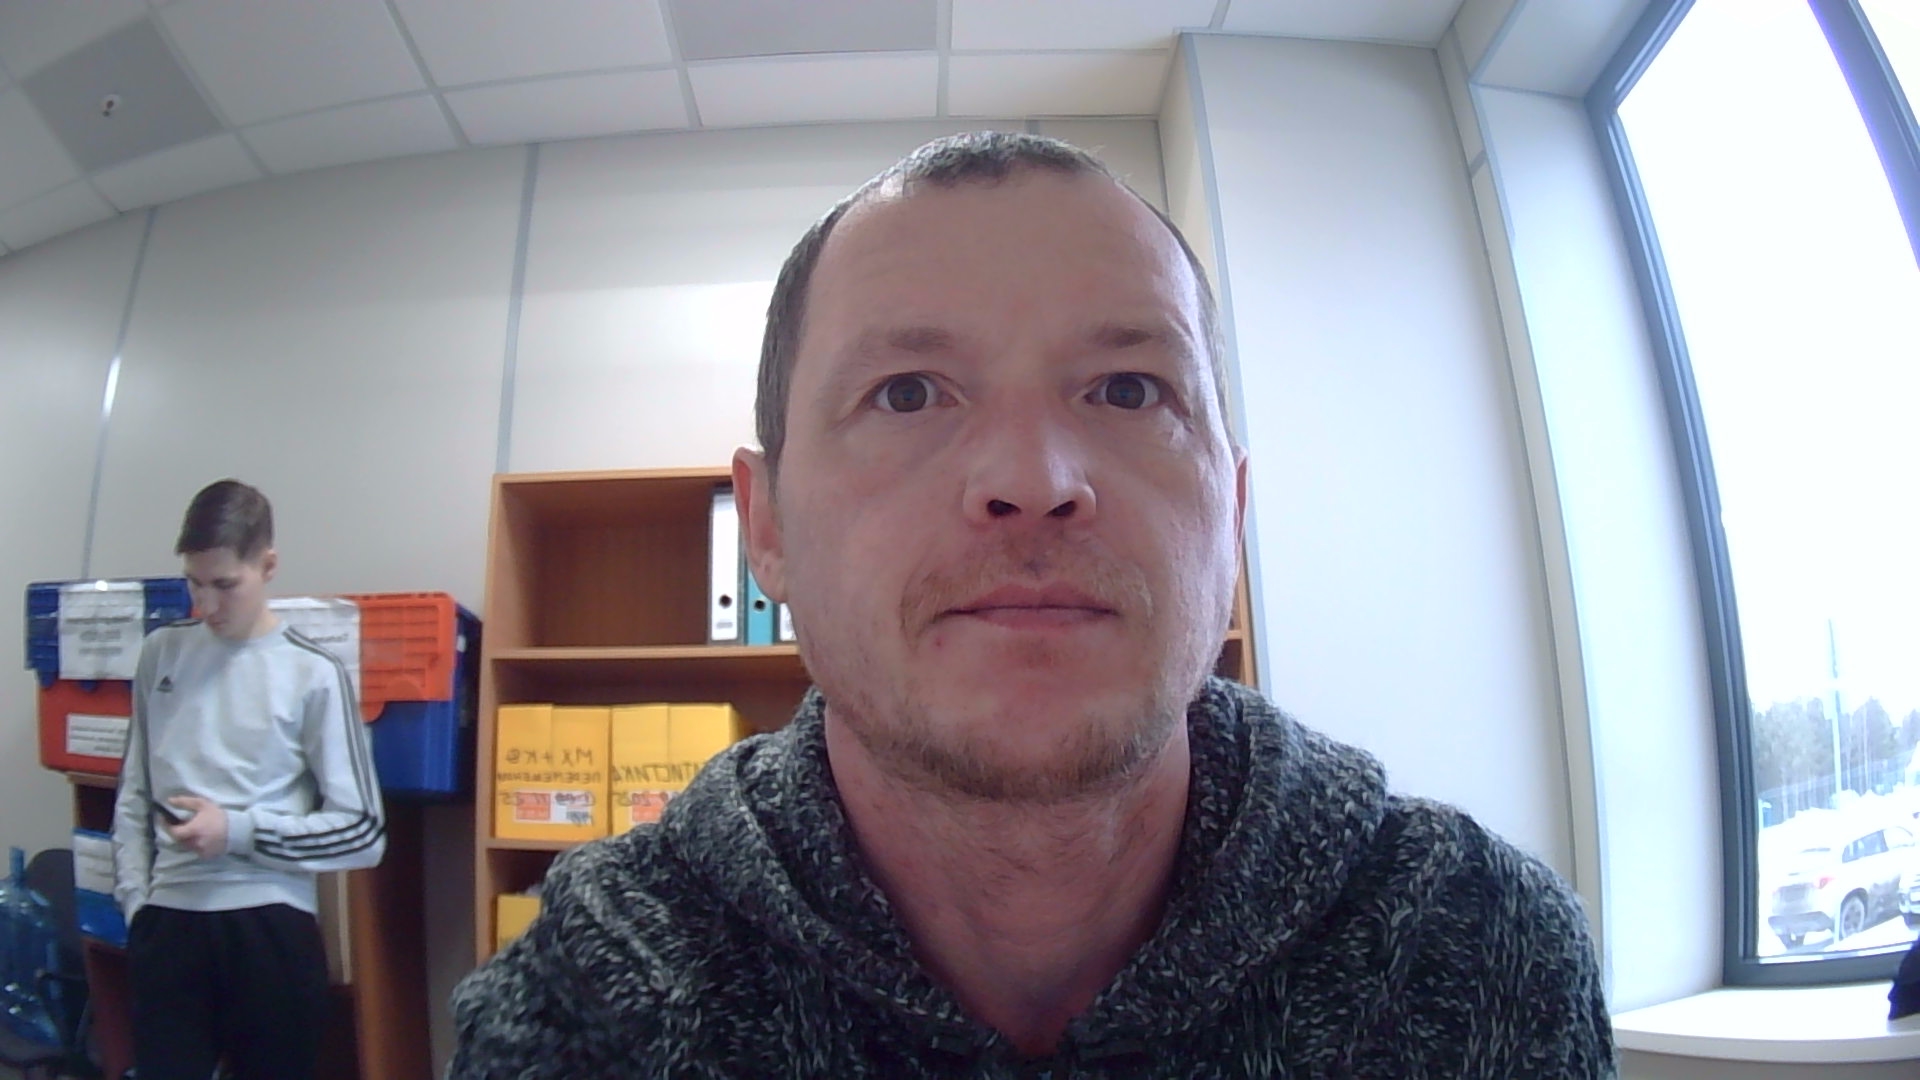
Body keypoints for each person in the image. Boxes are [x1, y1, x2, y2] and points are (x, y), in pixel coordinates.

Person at [451, 132, 1614, 1077]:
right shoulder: (587, 1007)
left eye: (1128, 389)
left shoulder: (1484, 955)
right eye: (908, 393)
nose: (1033, 479)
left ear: (1231, 511)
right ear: (767, 528)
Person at [112, 479, 387, 1080]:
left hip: (269, 925)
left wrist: (237, 831)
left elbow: (364, 831)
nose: (205, 604)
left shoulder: (314, 672)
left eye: (224, 585)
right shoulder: (161, 653)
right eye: (194, 583)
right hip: (169, 922)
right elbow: (134, 792)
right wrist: (138, 907)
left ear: (267, 566)